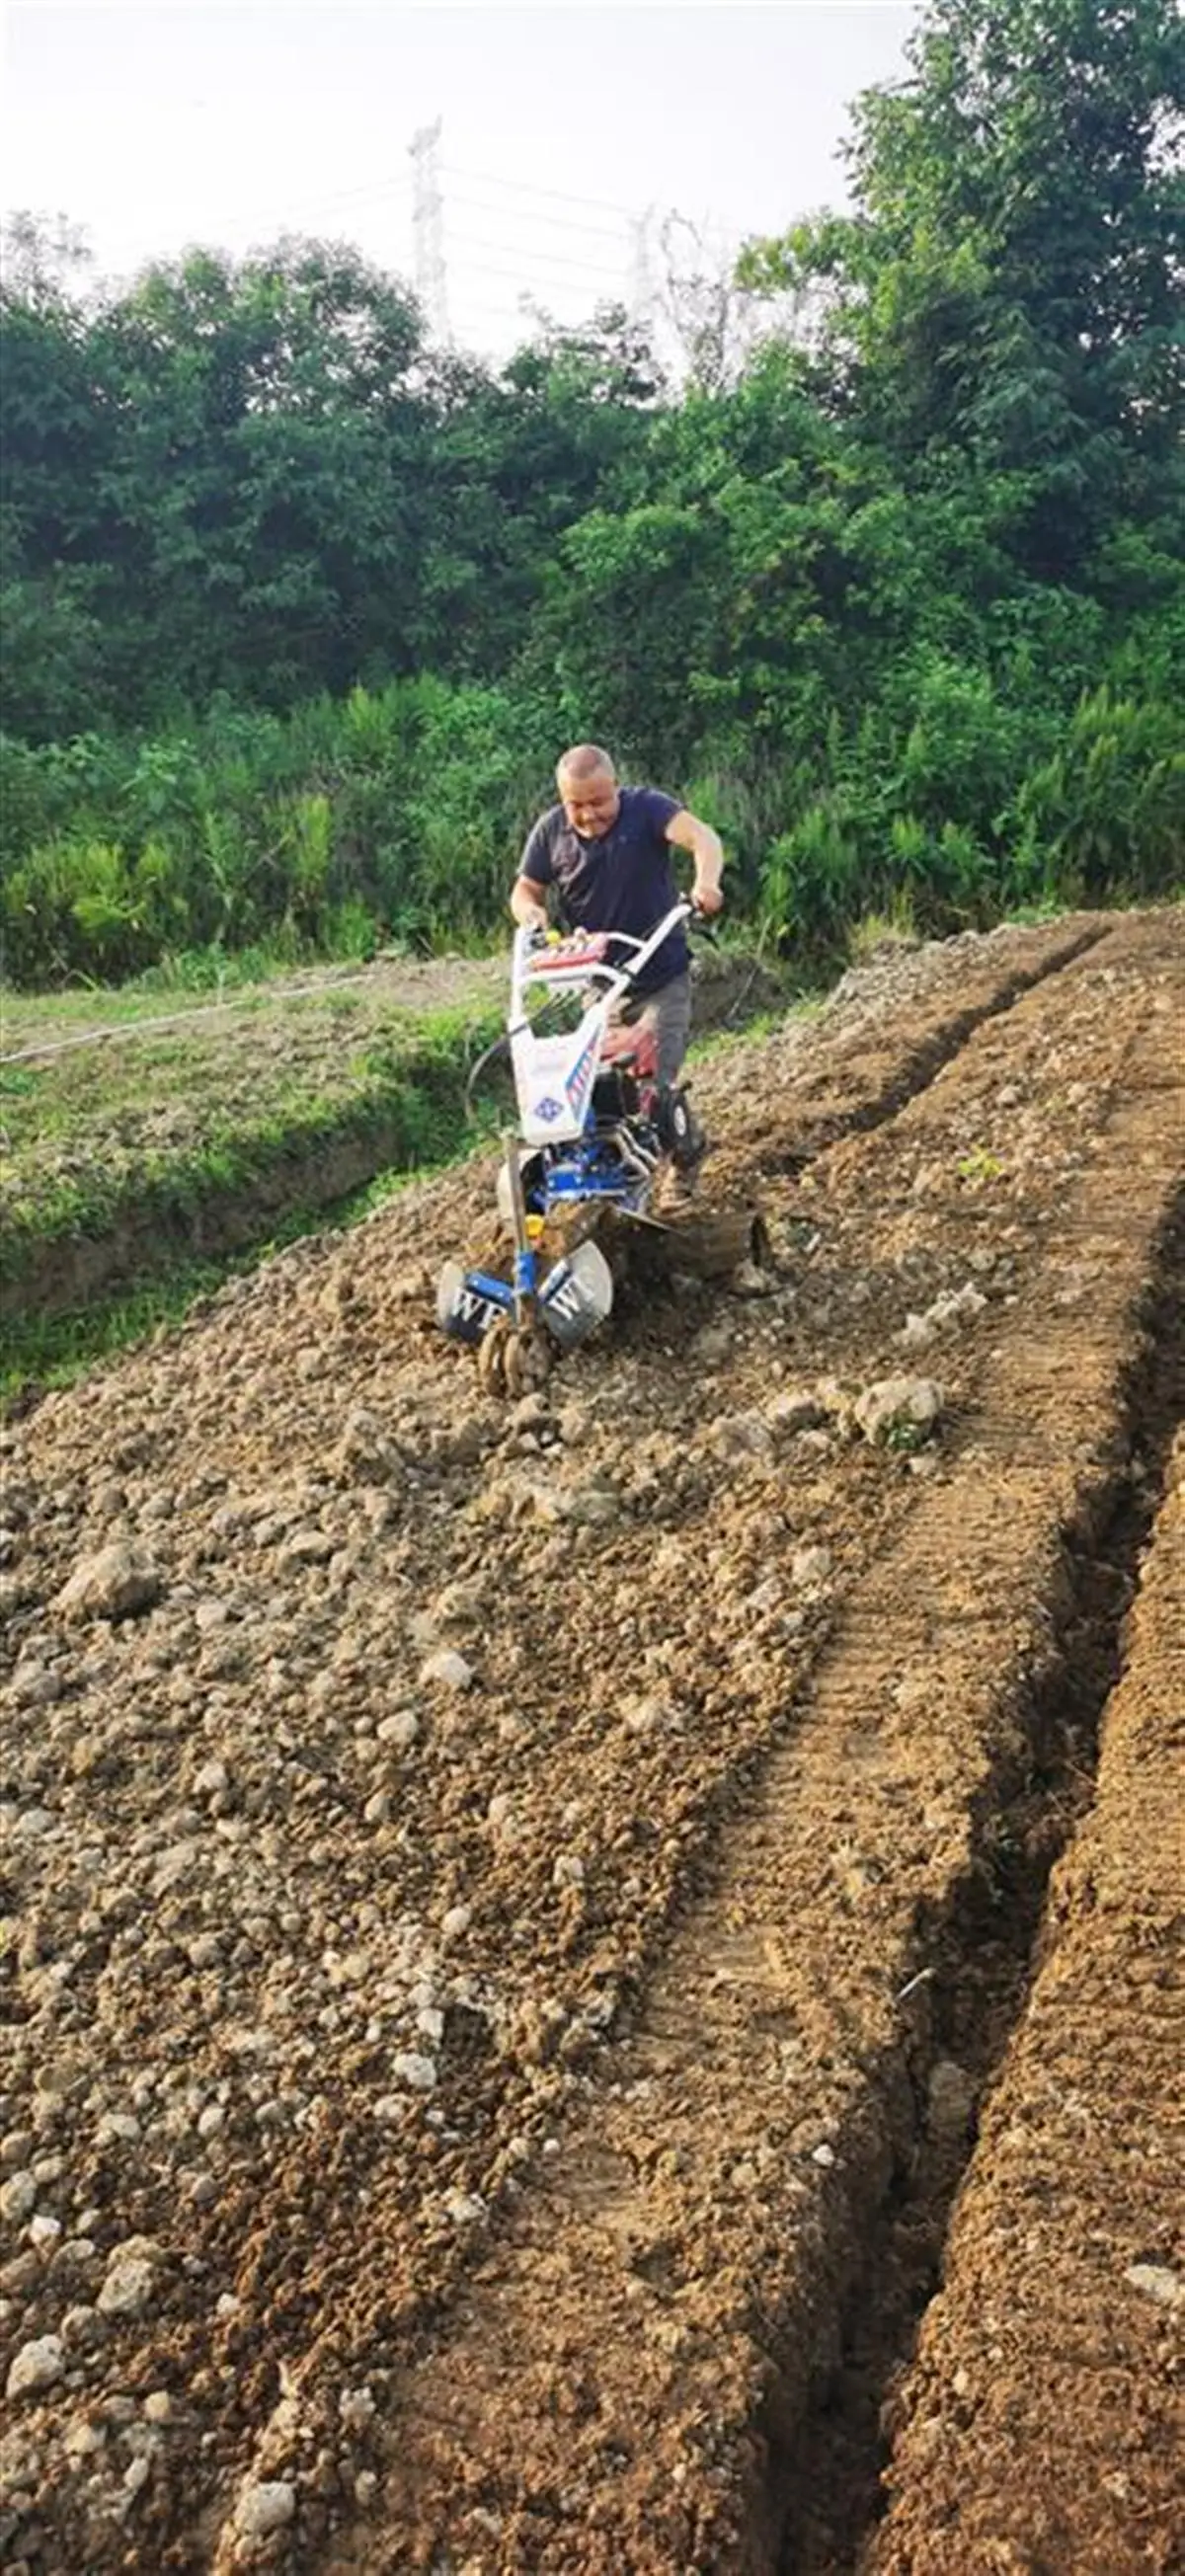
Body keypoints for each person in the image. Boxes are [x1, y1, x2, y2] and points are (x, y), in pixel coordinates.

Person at [511, 744, 725, 1190]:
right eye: (577, 805)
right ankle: (593, 1173)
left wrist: (705, 883)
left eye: (598, 802)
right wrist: (532, 914)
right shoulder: (551, 831)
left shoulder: (646, 809)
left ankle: (685, 1158)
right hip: (599, 986)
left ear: (616, 788)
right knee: (594, 1090)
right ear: (562, 799)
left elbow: (702, 837)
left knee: (650, 1086)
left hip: (659, 977)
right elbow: (525, 890)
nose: (588, 815)